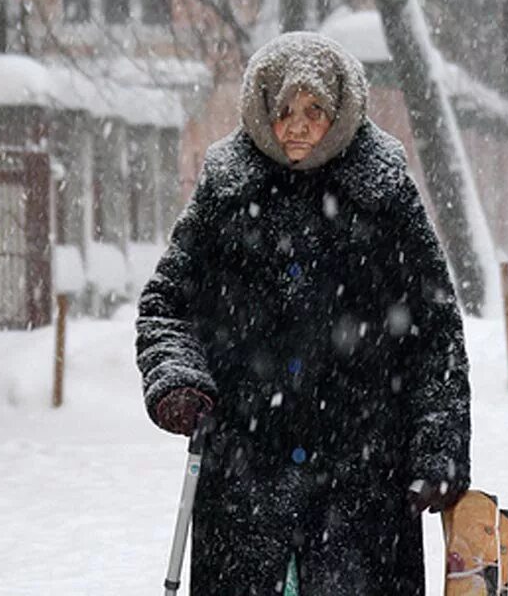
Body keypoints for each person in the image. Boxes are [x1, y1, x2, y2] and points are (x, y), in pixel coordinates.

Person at [135, 32, 471, 595]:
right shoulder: (225, 187)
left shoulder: (384, 191)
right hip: (246, 478)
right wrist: (177, 378)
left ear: (340, 112)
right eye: (283, 110)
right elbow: (166, 305)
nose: (296, 125)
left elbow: (435, 332)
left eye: (315, 110)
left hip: (361, 482)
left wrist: (437, 445)